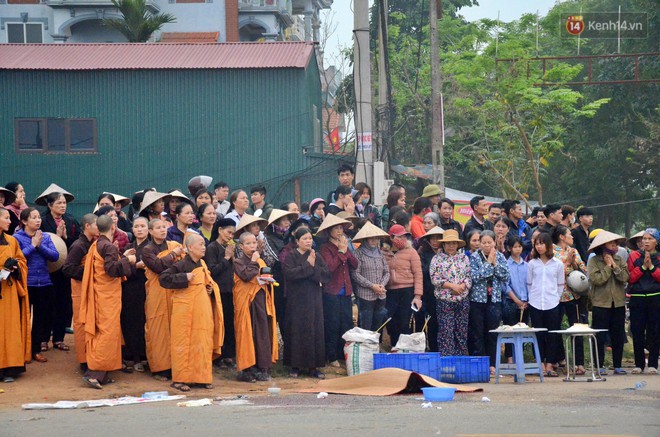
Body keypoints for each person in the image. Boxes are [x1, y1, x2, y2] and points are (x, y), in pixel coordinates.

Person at [159, 233, 223, 392]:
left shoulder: (202, 263)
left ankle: (201, 377)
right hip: (184, 310)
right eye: (201, 244)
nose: (204, 247)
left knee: (202, 342)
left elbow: (208, 281)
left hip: (201, 311)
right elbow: (163, 278)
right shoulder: (181, 264)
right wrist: (184, 277)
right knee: (183, 343)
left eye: (204, 244)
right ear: (190, 248)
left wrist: (209, 288)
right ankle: (180, 379)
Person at [80, 215, 136, 389]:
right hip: (106, 297)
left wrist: (122, 257)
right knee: (106, 333)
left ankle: (102, 374)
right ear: (113, 228)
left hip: (101, 293)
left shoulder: (97, 245)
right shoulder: (108, 246)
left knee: (104, 332)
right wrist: (128, 261)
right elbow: (112, 270)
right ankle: (93, 374)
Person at [282, 227, 331, 379]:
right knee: (296, 330)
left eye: (310, 238)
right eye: (304, 239)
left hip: (314, 299)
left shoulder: (315, 255)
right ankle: (295, 366)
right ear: (297, 241)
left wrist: (311, 266)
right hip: (297, 300)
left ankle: (313, 367)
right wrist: (307, 266)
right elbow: (290, 274)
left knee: (314, 330)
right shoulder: (291, 255)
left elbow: (325, 274)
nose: (308, 241)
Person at [36, 185, 80, 353]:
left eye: (64, 203)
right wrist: (56, 237)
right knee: (46, 304)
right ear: (50, 205)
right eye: (59, 203)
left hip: (65, 268)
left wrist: (65, 238)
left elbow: (77, 242)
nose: (63, 205)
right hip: (46, 268)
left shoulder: (71, 220)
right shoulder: (41, 220)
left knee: (63, 304)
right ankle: (43, 339)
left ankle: (59, 339)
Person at [15, 207, 59, 364]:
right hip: (26, 283)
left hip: (44, 282)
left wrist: (40, 245)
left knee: (41, 318)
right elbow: (17, 258)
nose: (38, 220)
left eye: (39, 217)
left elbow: (55, 256)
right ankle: (21, 351)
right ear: (24, 221)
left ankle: (35, 350)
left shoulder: (45, 237)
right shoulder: (16, 238)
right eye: (34, 217)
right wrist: (32, 245)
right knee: (23, 318)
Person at [142, 218, 184, 381]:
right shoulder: (147, 250)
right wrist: (174, 255)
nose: (162, 230)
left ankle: (175, 365)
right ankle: (159, 368)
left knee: (174, 328)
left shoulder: (173, 245)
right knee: (157, 329)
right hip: (157, 292)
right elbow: (158, 267)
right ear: (150, 231)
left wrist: (175, 253)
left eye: (164, 227)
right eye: (158, 228)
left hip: (173, 290)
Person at [233, 232, 278, 382]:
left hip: (260, 302)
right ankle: (247, 369)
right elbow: (245, 276)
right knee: (248, 334)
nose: (253, 246)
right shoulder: (238, 262)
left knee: (262, 334)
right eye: (248, 243)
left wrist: (268, 281)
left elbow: (266, 277)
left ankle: (262, 367)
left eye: (254, 243)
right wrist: (253, 261)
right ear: (241, 246)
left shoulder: (261, 261)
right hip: (247, 304)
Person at [587, 230, 630, 375]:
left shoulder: (619, 260)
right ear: (603, 245)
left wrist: (615, 266)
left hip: (618, 303)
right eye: (611, 243)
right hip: (601, 304)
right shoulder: (594, 261)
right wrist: (606, 267)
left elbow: (625, 278)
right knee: (599, 336)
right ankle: (599, 365)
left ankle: (617, 365)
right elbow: (596, 280)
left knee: (618, 335)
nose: (615, 245)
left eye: (615, 242)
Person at [318, 214, 357, 366]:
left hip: (346, 290)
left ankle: (343, 354)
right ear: (329, 231)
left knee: (346, 323)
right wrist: (340, 252)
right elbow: (329, 268)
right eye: (336, 228)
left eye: (341, 228)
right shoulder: (325, 248)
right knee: (332, 324)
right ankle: (332, 355)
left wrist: (345, 250)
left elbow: (355, 264)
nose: (339, 231)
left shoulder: (345, 245)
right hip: (332, 291)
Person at [468, 230, 509, 374]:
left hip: (495, 299)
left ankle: (493, 363)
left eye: (489, 243)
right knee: (478, 332)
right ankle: (480, 362)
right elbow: (475, 277)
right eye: (483, 242)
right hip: (477, 300)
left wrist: (494, 263)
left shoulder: (501, 257)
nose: (486, 245)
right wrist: (488, 264)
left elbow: (505, 276)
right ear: (479, 243)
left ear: (494, 243)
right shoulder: (473, 257)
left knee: (492, 332)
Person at [62, 214, 99, 370]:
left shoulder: (93, 243)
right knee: (82, 323)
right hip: (79, 290)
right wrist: (89, 271)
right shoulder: (78, 245)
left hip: (91, 290)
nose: (99, 227)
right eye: (96, 224)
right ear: (87, 226)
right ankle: (83, 360)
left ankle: (92, 355)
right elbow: (67, 269)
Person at [527, 231, 564, 377]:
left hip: (552, 303)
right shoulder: (532, 264)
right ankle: (540, 364)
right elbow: (529, 284)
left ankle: (550, 364)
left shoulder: (557, 264)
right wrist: (532, 298)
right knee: (538, 334)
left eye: (542, 243)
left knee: (552, 334)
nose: (539, 247)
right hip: (535, 302)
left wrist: (555, 298)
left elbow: (560, 284)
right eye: (537, 244)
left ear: (548, 245)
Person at [553, 224, 588, 374]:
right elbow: (554, 271)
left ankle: (579, 363)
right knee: (556, 328)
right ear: (562, 237)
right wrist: (567, 263)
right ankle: (560, 360)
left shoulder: (574, 251)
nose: (572, 237)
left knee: (576, 328)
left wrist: (573, 263)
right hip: (556, 296)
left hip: (573, 295)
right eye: (569, 234)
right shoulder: (552, 251)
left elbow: (583, 270)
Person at [431, 229, 472, 356]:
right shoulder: (437, 259)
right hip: (445, 300)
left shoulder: (463, 258)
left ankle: (461, 360)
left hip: (462, 299)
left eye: (454, 243)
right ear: (443, 244)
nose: (451, 246)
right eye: (448, 243)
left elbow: (469, 276)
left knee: (461, 331)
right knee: (446, 331)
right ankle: (447, 360)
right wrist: (452, 286)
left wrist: (462, 286)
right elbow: (435, 278)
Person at [0, 207, 30, 383]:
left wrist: (15, 267)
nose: (10, 221)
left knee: (10, 329)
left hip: (8, 291)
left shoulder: (12, 241)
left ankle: (10, 367)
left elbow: (22, 262)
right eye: (5, 218)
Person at [204, 218, 237, 368]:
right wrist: (226, 258)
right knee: (219, 324)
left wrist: (233, 259)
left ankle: (228, 355)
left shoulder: (229, 247)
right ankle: (217, 356)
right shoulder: (212, 247)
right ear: (219, 230)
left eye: (233, 233)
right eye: (229, 232)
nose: (231, 236)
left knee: (230, 324)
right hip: (217, 291)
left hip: (230, 291)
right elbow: (211, 270)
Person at [626, 228, 660, 375]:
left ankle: (653, 364)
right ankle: (639, 364)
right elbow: (631, 278)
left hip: (655, 296)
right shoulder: (634, 256)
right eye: (644, 238)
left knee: (655, 330)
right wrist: (642, 267)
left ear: (656, 242)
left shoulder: (659, 257)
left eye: (649, 238)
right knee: (637, 331)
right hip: (638, 297)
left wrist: (651, 267)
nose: (645, 241)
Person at [383, 224, 423, 348]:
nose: (402, 239)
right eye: (398, 237)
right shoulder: (384, 253)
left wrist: (418, 296)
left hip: (408, 290)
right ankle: (395, 346)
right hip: (391, 291)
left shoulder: (412, 252)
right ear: (391, 237)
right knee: (392, 321)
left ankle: (405, 348)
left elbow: (418, 274)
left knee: (405, 321)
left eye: (404, 236)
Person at [120, 217, 149, 372]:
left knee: (143, 322)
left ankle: (144, 356)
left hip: (146, 288)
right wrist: (134, 265)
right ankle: (131, 355)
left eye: (142, 226)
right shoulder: (128, 247)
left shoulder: (151, 247)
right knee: (129, 321)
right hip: (129, 290)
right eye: (136, 226)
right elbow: (121, 269)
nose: (139, 229)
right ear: (132, 229)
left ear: (148, 229)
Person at [351, 222, 390, 332]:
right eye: (371, 238)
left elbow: (387, 272)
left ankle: (376, 347)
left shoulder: (380, 253)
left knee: (378, 326)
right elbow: (355, 274)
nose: (374, 241)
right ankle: (365, 348)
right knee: (365, 326)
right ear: (365, 239)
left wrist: (381, 285)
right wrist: (372, 286)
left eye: (376, 238)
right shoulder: (358, 253)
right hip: (365, 296)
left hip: (381, 295)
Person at [264, 209, 298, 333]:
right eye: (283, 220)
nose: (287, 223)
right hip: (276, 280)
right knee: (279, 313)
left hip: (289, 280)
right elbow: (275, 258)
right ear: (276, 223)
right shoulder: (268, 238)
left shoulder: (288, 238)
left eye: (288, 220)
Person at [502, 235, 529, 363]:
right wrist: (516, 300)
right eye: (515, 247)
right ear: (509, 248)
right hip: (511, 302)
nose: (518, 249)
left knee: (522, 331)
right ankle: (510, 358)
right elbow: (505, 285)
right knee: (510, 331)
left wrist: (525, 301)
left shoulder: (527, 265)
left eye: (519, 246)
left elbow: (530, 283)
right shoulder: (506, 265)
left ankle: (520, 357)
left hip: (525, 303)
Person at [416, 226, 444, 351]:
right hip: (427, 292)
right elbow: (422, 272)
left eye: (438, 238)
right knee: (425, 321)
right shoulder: (423, 253)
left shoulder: (447, 253)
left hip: (442, 293)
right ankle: (425, 348)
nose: (435, 241)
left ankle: (437, 349)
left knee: (438, 323)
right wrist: (435, 259)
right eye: (432, 238)